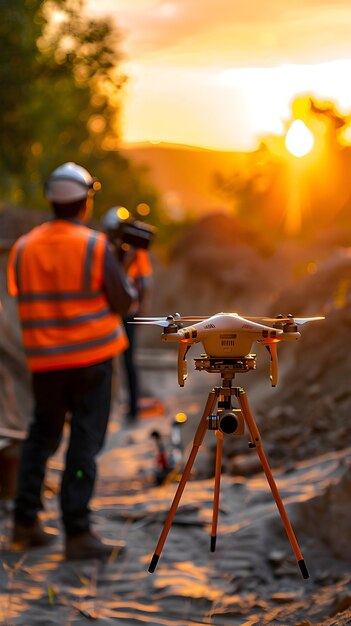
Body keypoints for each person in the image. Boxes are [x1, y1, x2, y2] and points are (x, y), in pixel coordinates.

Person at [7, 162, 136, 560]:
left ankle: (24, 523)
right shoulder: (96, 246)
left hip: (45, 363)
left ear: (51, 200)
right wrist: (124, 267)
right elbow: (124, 302)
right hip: (92, 361)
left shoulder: (24, 246)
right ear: (85, 202)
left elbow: (17, 292)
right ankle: (77, 533)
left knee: (40, 438)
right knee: (84, 443)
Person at [102, 208, 153, 422]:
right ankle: (110, 407)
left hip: (128, 312)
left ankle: (132, 408)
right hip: (110, 312)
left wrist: (142, 307)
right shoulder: (104, 248)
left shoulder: (136, 252)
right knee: (106, 361)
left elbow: (143, 281)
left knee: (128, 360)